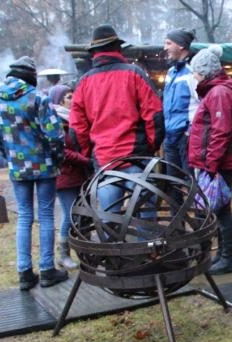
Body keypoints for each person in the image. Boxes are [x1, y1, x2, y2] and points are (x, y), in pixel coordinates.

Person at [0, 56, 69, 290]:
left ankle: (24, 273)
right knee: (46, 215)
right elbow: (54, 135)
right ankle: (47, 270)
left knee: (24, 216)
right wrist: (56, 158)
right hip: (44, 166)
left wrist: (10, 156)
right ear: (30, 76)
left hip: (17, 168)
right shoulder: (38, 98)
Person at [70, 24, 164, 217]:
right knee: (146, 220)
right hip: (137, 158)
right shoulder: (134, 73)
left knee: (108, 222)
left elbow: (77, 129)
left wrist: (89, 156)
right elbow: (155, 116)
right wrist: (149, 147)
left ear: (94, 52)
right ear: (118, 48)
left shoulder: (84, 83)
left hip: (105, 160)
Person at [186, 44, 232, 275]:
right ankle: (222, 256)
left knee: (222, 211)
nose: (194, 76)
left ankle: (228, 259)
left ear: (205, 72)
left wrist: (211, 165)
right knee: (217, 210)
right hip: (215, 163)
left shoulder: (218, 93)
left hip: (219, 164)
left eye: (196, 72)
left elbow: (220, 132)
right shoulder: (215, 92)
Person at [49, 84, 90, 270]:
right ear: (59, 101)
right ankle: (63, 254)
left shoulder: (75, 119)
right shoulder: (54, 121)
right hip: (64, 176)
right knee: (70, 214)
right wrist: (85, 160)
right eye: (68, 97)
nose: (73, 100)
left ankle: (86, 252)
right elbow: (62, 151)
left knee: (84, 213)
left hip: (80, 174)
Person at [162, 28, 199, 188]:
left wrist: (190, 131)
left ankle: (198, 206)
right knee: (173, 184)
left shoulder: (193, 72)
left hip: (186, 137)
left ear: (181, 46)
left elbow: (203, 105)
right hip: (170, 136)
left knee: (192, 184)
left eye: (168, 43)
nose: (165, 48)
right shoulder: (170, 72)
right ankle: (176, 207)